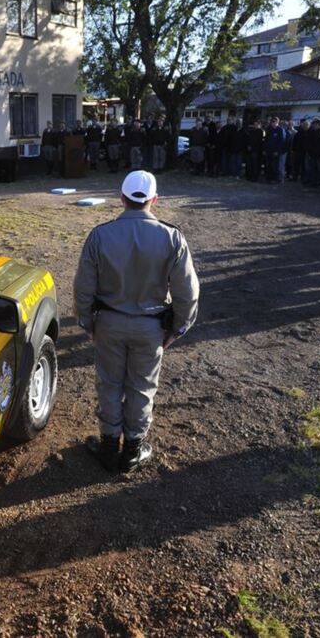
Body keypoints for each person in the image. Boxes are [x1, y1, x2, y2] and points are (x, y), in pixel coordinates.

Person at [74, 170, 200, 472]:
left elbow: (83, 287)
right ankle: (132, 450)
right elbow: (187, 292)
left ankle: (108, 445)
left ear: (122, 198)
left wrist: (86, 322)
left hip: (108, 323)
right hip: (151, 327)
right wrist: (179, 327)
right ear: (155, 200)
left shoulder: (99, 235)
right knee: (142, 386)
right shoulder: (172, 237)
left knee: (109, 382)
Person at [263, 117, 286, 183]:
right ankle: (269, 178)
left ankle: (275, 179)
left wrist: (277, 151)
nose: (273, 123)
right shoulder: (269, 130)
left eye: (274, 122)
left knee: (275, 166)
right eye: (272, 122)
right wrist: (265, 149)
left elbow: (282, 142)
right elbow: (266, 140)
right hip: (268, 151)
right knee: (269, 165)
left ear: (277, 122)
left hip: (275, 152)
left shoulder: (280, 130)